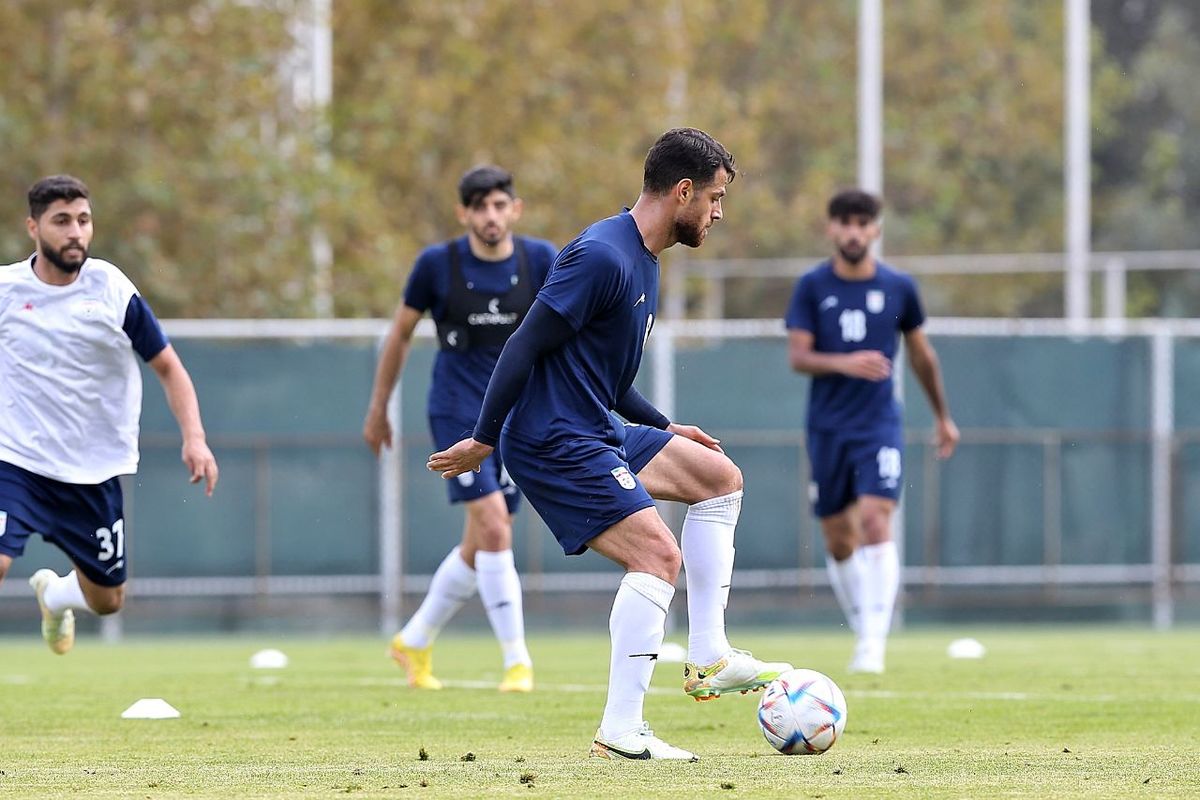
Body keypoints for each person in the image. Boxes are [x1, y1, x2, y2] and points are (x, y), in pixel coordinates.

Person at [428, 128, 792, 761]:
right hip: (553, 439)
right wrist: (484, 439)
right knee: (658, 555)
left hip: (596, 423)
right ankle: (621, 730)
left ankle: (709, 655)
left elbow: (610, 381)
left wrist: (667, 426)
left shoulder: (643, 259)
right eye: (714, 197)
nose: (718, 212)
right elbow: (523, 344)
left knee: (719, 477)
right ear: (682, 191)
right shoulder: (601, 254)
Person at [0, 174, 219, 654]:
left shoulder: (112, 289)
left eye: (83, 220)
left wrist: (195, 437)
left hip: (92, 472)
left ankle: (56, 596)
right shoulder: (7, 291)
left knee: (107, 600)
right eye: (62, 221)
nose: (75, 232)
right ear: (33, 227)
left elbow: (169, 367)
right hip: (15, 462)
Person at [363, 165, 557, 693]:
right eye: (479, 207)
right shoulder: (436, 265)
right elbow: (399, 335)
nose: (490, 216)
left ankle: (414, 640)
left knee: (481, 542)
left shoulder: (541, 260)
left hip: (517, 418)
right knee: (495, 525)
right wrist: (380, 407)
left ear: (515, 209)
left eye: (499, 205)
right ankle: (518, 662)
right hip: (455, 413)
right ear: (463, 213)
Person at [785, 188, 959, 675]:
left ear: (876, 229)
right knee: (839, 539)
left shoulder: (899, 288)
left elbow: (923, 355)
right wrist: (846, 362)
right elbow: (798, 356)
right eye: (845, 222)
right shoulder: (812, 287)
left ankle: (873, 643)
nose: (854, 232)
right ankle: (863, 622)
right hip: (826, 427)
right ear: (831, 229)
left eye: (863, 223)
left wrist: (943, 416)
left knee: (877, 521)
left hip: (879, 424)